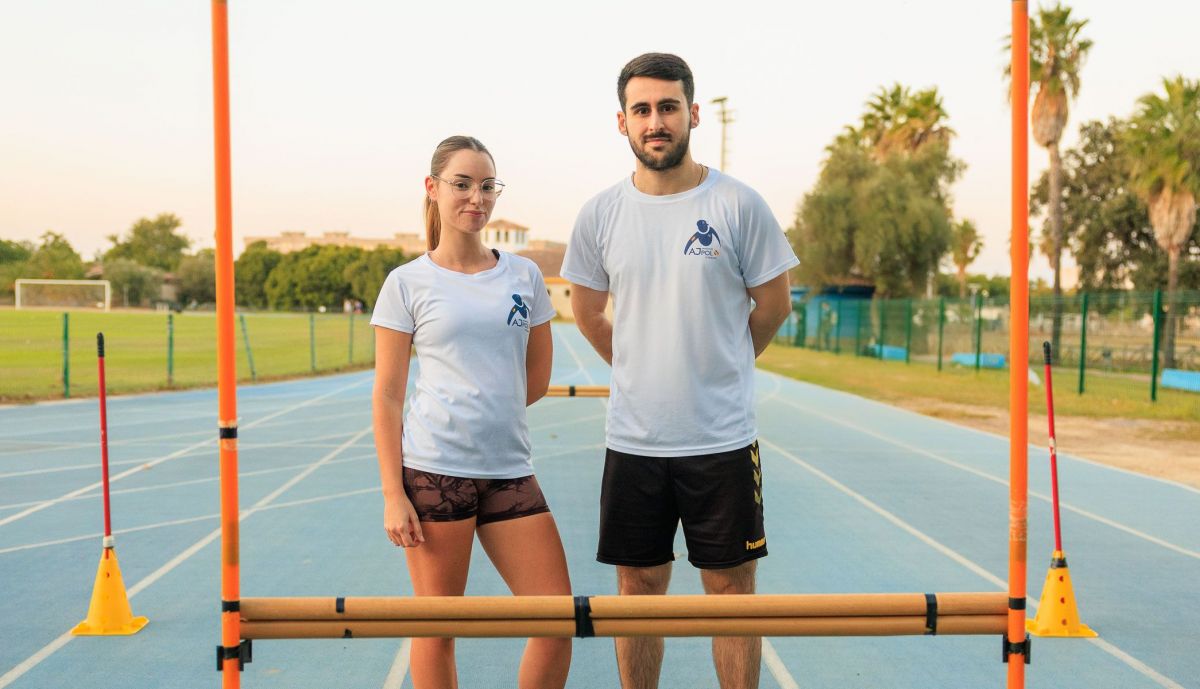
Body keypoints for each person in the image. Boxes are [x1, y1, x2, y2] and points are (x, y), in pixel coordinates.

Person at [560, 54, 798, 689]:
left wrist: (722, 364)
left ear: (692, 114)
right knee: (637, 587)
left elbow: (774, 306)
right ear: (622, 122)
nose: (655, 122)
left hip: (721, 439)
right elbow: (587, 312)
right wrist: (640, 370)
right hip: (634, 441)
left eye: (668, 107)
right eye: (641, 110)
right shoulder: (600, 214)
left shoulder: (738, 204)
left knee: (731, 590)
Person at [371, 135, 572, 689]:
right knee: (438, 629)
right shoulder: (407, 283)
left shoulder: (524, 276)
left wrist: (485, 404)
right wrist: (393, 495)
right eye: (462, 184)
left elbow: (534, 380)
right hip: (435, 473)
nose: (476, 198)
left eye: (487, 186)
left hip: (509, 470)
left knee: (556, 620)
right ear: (433, 188)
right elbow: (387, 396)